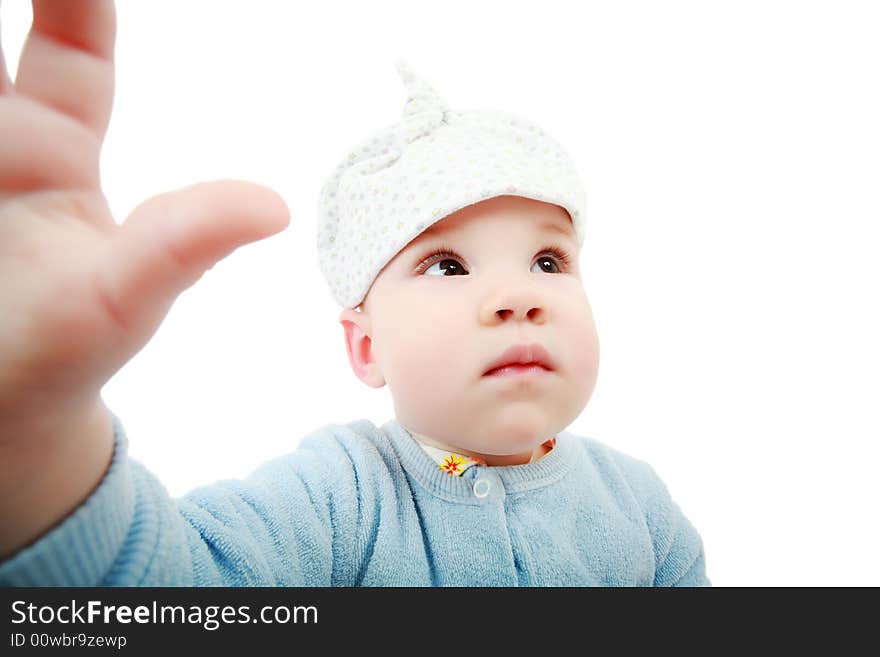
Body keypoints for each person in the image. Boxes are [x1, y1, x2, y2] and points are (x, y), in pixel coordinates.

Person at [0, 0, 710, 586]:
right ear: (366, 346)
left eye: (549, 261)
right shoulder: (339, 497)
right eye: (447, 266)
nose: (517, 297)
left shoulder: (641, 511)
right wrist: (42, 438)